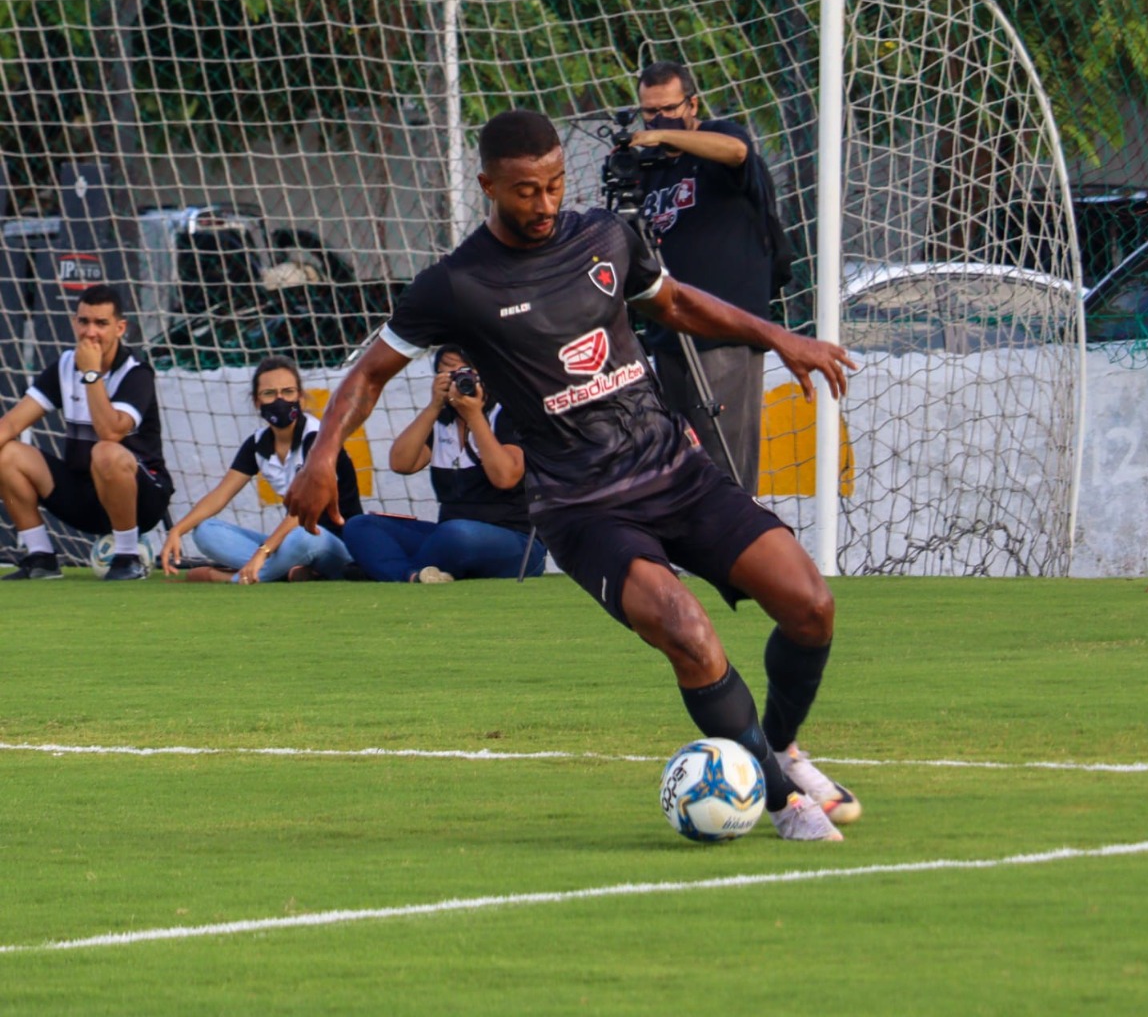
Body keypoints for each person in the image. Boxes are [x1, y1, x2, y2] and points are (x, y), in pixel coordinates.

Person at [286, 109, 860, 842]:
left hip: (673, 469)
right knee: (687, 632)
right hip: (583, 505)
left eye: (555, 184)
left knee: (811, 605)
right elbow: (369, 373)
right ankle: (784, 803)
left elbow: (675, 303)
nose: (545, 203)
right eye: (526, 190)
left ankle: (775, 748)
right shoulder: (456, 284)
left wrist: (777, 335)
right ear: (489, 186)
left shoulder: (606, 238)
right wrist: (320, 457)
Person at [627, 59, 780, 490]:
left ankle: (739, 532)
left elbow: (737, 153)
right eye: (649, 112)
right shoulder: (649, 167)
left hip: (723, 332)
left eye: (669, 109)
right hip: (669, 330)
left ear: (692, 105)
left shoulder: (719, 137)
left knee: (723, 464)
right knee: (681, 462)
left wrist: (663, 135)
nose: (658, 119)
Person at [0, 284, 174, 581]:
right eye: (84, 322)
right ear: (74, 323)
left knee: (105, 451)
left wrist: (91, 374)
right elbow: (12, 424)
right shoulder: (65, 365)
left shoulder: (136, 373)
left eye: (101, 323)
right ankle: (41, 557)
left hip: (142, 501)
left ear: (120, 328)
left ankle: (128, 557)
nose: (90, 332)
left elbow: (110, 432)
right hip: (84, 498)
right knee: (6, 453)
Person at [340, 344, 546, 584]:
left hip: (513, 541)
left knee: (457, 535)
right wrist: (434, 406)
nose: (458, 382)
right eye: (447, 373)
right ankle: (412, 575)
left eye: (464, 372)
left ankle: (386, 568)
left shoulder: (508, 415)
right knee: (360, 526)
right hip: (447, 537)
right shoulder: (441, 422)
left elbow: (506, 477)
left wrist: (474, 416)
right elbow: (401, 463)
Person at [159, 355, 361, 585]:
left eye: (288, 392)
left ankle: (229, 577)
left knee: (302, 537)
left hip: (333, 543)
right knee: (205, 531)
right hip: (289, 543)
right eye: (269, 393)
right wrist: (177, 531)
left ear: (300, 397)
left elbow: (301, 515)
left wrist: (262, 553)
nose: (279, 400)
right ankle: (287, 571)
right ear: (257, 401)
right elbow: (220, 495)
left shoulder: (317, 439)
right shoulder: (257, 443)